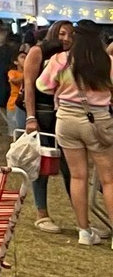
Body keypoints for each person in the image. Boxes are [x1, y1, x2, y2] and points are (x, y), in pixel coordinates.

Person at [35, 21, 113, 246]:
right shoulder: (107, 62)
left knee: (78, 176)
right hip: (98, 120)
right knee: (108, 180)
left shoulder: (60, 59)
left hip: (66, 120)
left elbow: (43, 86)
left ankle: (84, 231)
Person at [23, 21, 73, 232]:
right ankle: (41, 212)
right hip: (40, 112)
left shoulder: (70, 55)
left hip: (62, 113)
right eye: (62, 33)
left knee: (69, 166)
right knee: (41, 164)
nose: (66, 38)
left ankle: (82, 217)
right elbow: (28, 85)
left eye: (71, 34)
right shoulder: (38, 52)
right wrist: (30, 117)